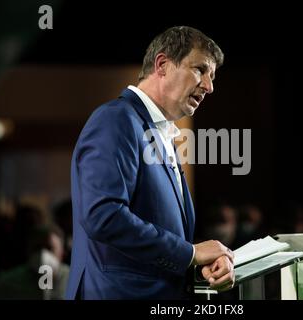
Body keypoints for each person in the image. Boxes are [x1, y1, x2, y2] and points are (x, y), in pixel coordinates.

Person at [66, 26, 235, 299]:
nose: (209, 86)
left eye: (212, 76)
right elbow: (102, 216)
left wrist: (201, 263)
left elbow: (162, 236)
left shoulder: (160, 133)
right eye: (200, 69)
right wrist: (190, 253)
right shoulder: (116, 120)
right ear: (163, 65)